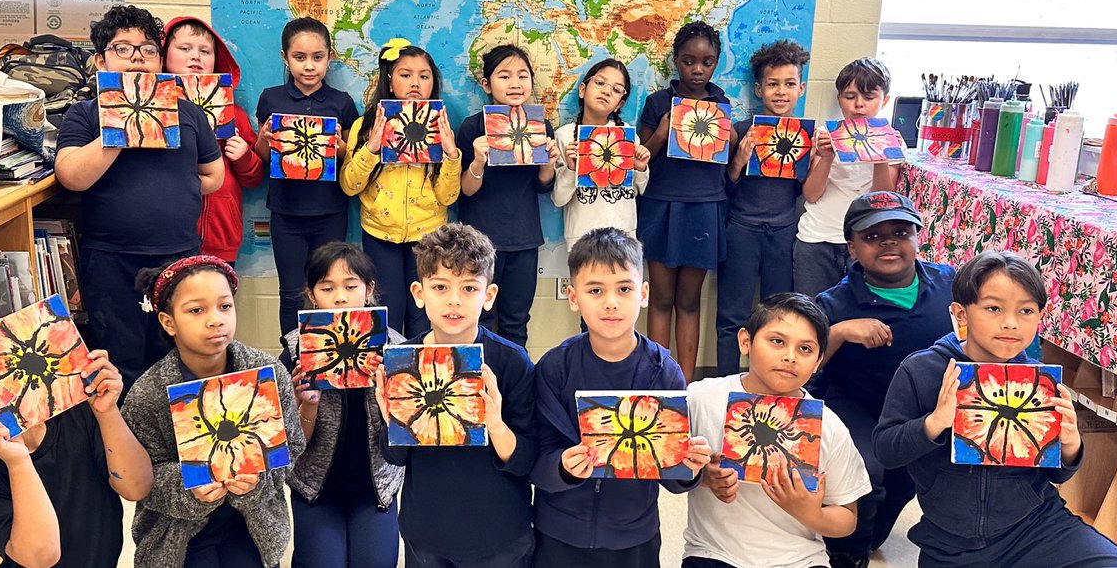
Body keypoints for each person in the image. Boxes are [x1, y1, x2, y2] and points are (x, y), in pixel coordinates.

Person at [873, 251, 1117, 567]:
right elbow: (886, 450)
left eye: (1026, 311)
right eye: (994, 308)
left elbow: (1058, 474)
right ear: (960, 314)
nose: (1010, 323)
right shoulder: (921, 371)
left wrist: (1070, 446)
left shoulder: (1040, 380)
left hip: (1036, 528)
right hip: (950, 544)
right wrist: (935, 423)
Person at [54, 4, 224, 390]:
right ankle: (128, 446)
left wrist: (180, 186)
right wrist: (119, 128)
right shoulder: (85, 114)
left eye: (147, 50)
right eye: (123, 49)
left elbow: (213, 174)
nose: (137, 59)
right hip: (113, 262)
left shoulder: (187, 112)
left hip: (180, 256)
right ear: (101, 61)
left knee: (181, 355)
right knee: (121, 360)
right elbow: (71, 176)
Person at [532, 227, 712, 567]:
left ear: (643, 293)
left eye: (624, 289)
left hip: (635, 536)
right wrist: (562, 468)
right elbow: (535, 456)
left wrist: (688, 467)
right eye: (595, 290)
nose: (611, 302)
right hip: (559, 533)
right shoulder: (554, 368)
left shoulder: (664, 372)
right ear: (573, 297)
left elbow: (673, 477)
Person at [122, 256, 305, 568]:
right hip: (178, 532)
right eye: (197, 310)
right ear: (168, 322)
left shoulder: (268, 373)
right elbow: (144, 481)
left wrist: (256, 482)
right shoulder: (147, 394)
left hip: (253, 524)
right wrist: (191, 487)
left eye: (225, 306)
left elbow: (292, 447)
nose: (215, 320)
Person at [373, 222, 536, 566]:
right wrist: (392, 419)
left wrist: (495, 423)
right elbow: (396, 457)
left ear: (489, 296)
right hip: (428, 533)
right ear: (419, 293)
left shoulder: (511, 362)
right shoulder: (403, 360)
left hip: (500, 534)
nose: (454, 300)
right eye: (440, 287)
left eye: (469, 288)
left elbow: (526, 460)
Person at [813, 191, 956, 568]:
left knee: (908, 480)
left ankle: (865, 532)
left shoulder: (951, 285)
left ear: (917, 238)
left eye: (901, 232)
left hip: (925, 413)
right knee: (866, 475)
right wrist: (840, 332)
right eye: (872, 236)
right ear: (852, 248)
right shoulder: (832, 304)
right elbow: (805, 365)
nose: (889, 242)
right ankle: (848, 556)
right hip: (859, 407)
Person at [683, 292, 871, 568]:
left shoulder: (828, 425)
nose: (789, 357)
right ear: (745, 341)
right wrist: (701, 477)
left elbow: (847, 518)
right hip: (715, 554)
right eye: (777, 341)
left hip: (800, 560)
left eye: (805, 349)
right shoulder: (701, 398)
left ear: (819, 361)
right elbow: (661, 465)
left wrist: (811, 515)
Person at [0, 342, 152, 567]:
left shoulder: (76, 416)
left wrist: (108, 412)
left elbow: (137, 487)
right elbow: (42, 558)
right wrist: (18, 460)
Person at [285, 242, 405, 568]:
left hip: (375, 488)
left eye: (351, 286)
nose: (340, 297)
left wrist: (389, 402)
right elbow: (288, 449)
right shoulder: (295, 351)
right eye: (327, 287)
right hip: (315, 489)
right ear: (312, 295)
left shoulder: (397, 349)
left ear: (369, 291)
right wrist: (306, 405)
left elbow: (402, 445)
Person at [717, 39, 830, 376]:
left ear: (802, 88)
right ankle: (726, 381)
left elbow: (805, 192)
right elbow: (725, 187)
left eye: (790, 84)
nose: (781, 92)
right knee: (731, 313)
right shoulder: (741, 130)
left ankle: (770, 380)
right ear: (759, 89)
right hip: (741, 230)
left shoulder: (806, 136)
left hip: (783, 233)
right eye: (773, 84)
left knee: (779, 315)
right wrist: (738, 161)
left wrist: (818, 158)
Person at [340, 39, 460, 337]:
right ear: (390, 82)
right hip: (381, 234)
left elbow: (448, 196)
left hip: (429, 236)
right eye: (405, 74)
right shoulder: (364, 125)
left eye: (424, 75)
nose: (415, 82)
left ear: (433, 82)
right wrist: (372, 147)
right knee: (387, 317)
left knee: (424, 314)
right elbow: (349, 186)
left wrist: (451, 154)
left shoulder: (442, 126)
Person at [254, 17, 358, 345]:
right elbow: (262, 156)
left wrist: (340, 149)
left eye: (318, 57)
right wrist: (263, 139)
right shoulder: (271, 98)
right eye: (300, 58)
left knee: (332, 290)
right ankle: (293, 358)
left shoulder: (341, 102)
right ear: (285, 58)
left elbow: (349, 161)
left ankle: (330, 353)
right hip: (286, 213)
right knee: (291, 294)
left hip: (329, 212)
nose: (309, 66)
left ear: (330, 57)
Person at [636, 20, 730, 382]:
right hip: (662, 206)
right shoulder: (657, 102)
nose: (697, 69)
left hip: (704, 208)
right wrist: (663, 130)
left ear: (716, 62)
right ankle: (660, 382)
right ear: (676, 61)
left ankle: (685, 385)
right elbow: (642, 158)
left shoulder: (720, 103)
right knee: (660, 299)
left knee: (689, 301)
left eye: (706, 62)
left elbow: (722, 160)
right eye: (689, 61)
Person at [456, 44, 560, 348]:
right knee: (478, 320)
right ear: (487, 84)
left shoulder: (541, 125)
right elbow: (465, 190)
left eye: (522, 76)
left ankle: (514, 393)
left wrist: (549, 163)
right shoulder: (473, 127)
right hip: (478, 242)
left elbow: (544, 187)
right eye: (504, 76)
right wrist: (477, 161)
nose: (515, 83)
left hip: (524, 240)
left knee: (516, 323)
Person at [163, 16, 264, 265]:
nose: (195, 57)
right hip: (166, 236)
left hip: (220, 238)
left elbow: (254, 178)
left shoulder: (234, 114)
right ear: (164, 54)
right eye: (185, 49)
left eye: (205, 51)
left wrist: (244, 158)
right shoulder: (155, 113)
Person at [796, 57, 899, 297]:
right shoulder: (823, 134)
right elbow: (810, 194)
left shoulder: (892, 139)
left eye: (869, 97)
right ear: (839, 99)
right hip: (817, 238)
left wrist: (880, 156)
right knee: (812, 311)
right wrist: (826, 157)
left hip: (865, 240)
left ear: (884, 100)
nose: (859, 105)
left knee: (860, 313)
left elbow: (884, 199)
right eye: (850, 97)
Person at [552, 58, 651, 249]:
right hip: (582, 238)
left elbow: (643, 189)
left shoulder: (627, 136)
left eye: (616, 89)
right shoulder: (565, 136)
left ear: (619, 104)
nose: (606, 91)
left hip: (624, 236)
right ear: (582, 90)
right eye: (599, 83)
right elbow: (558, 199)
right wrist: (572, 169)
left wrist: (641, 168)